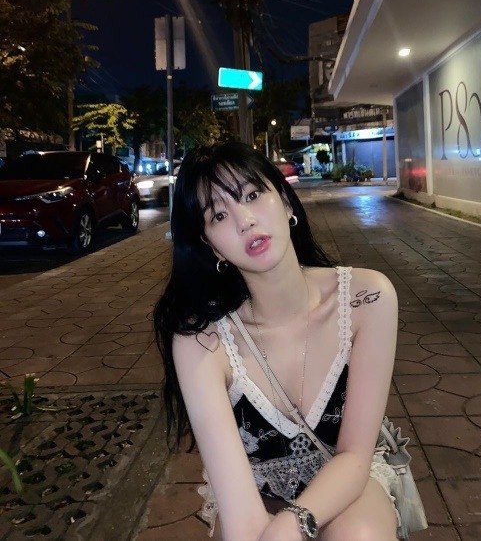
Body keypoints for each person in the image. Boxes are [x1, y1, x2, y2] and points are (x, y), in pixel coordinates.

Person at [154, 141, 425, 541]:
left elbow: (354, 456)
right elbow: (242, 516)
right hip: (257, 495)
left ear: (284, 200)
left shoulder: (366, 298)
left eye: (252, 195)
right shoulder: (203, 341)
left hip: (349, 479)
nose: (245, 221)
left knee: (360, 535)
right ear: (211, 245)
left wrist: (292, 522)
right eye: (219, 215)